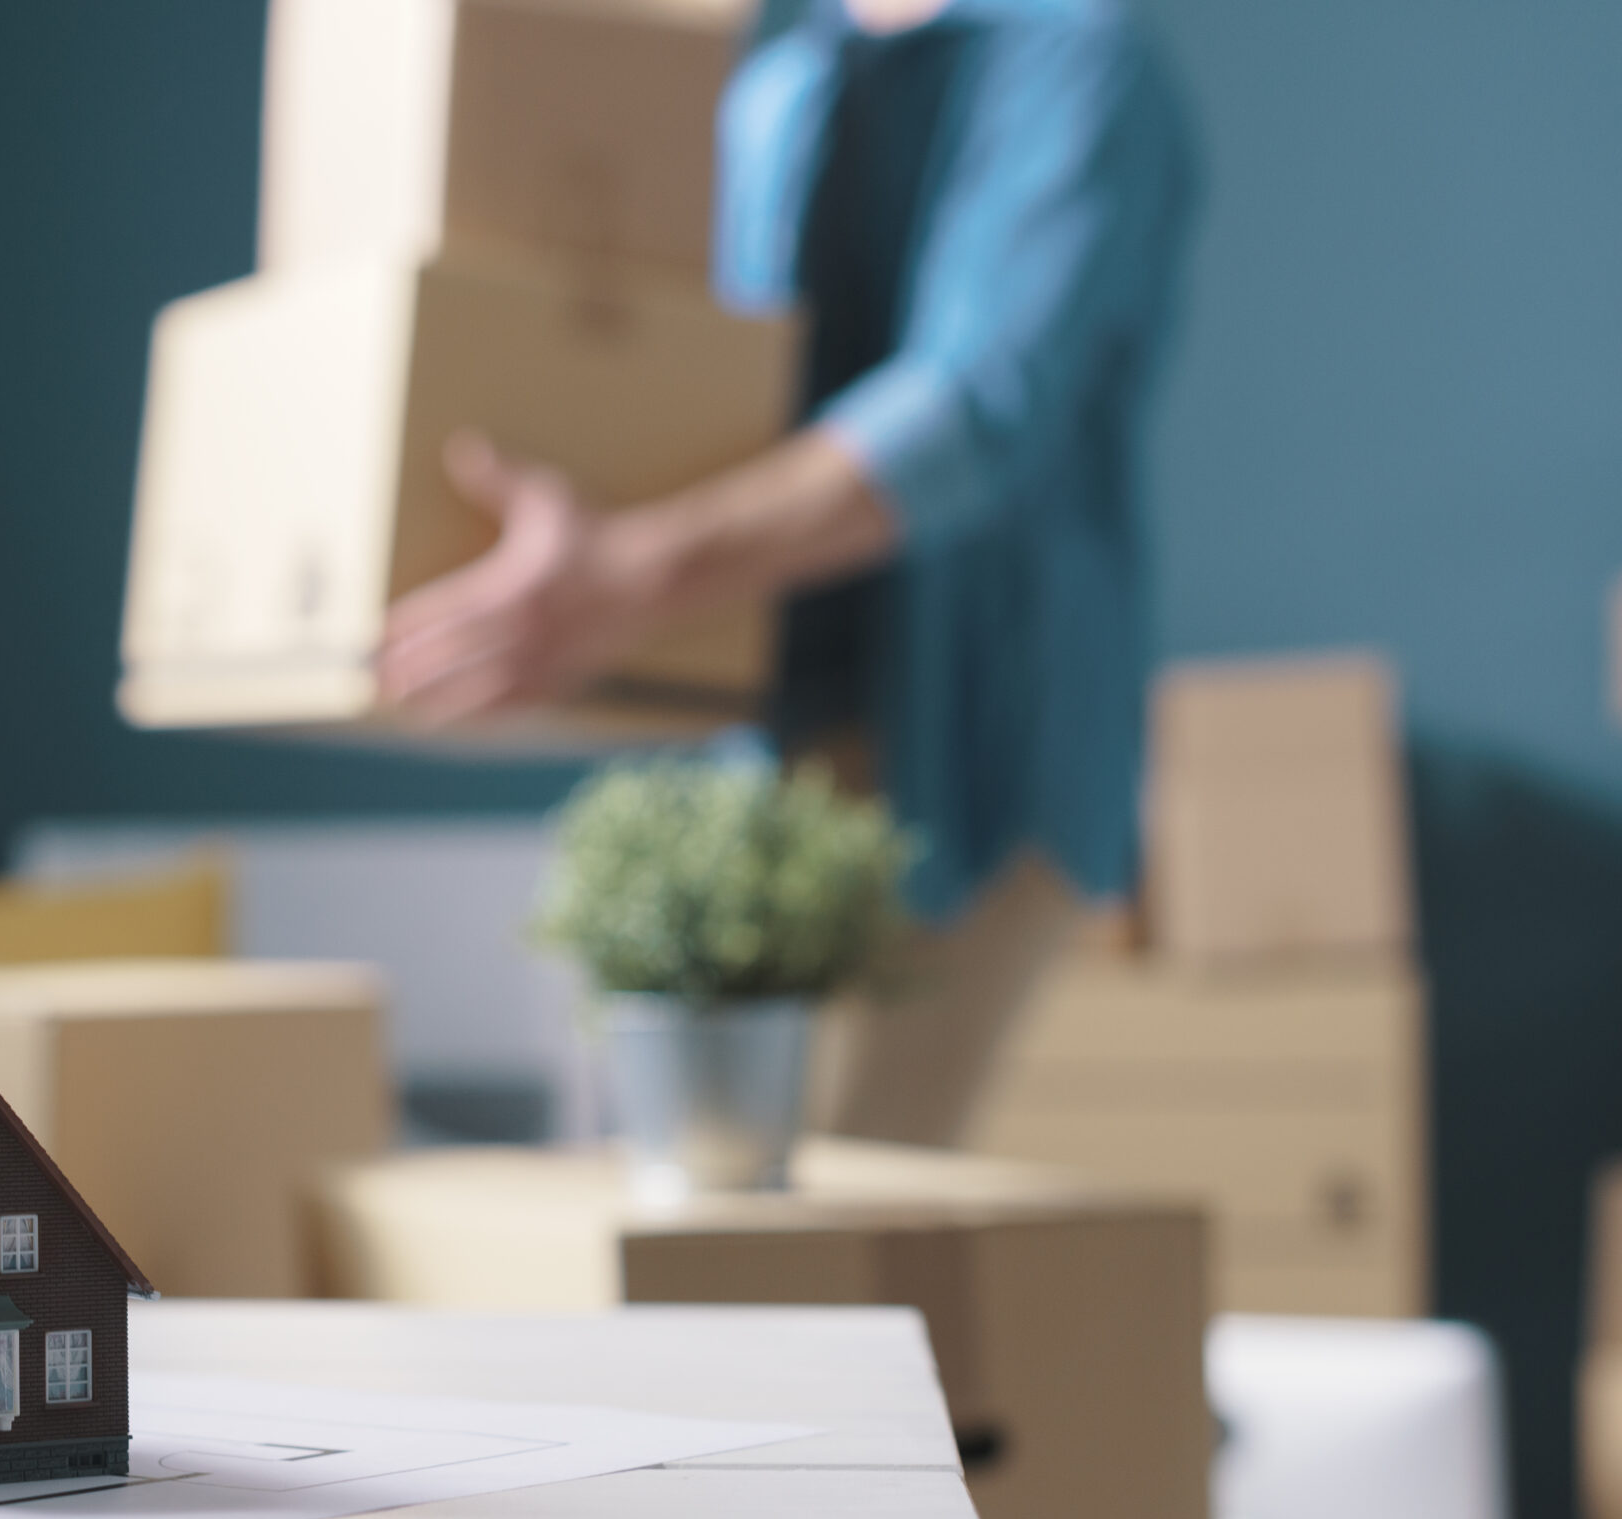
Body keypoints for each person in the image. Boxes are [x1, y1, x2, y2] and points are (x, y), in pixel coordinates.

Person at [377, 0, 1201, 1146]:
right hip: (767, 743)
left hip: (977, 750)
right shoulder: (779, 91)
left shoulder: (1080, 64)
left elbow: (977, 408)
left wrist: (630, 572)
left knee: (849, 1195)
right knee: (725, 1197)